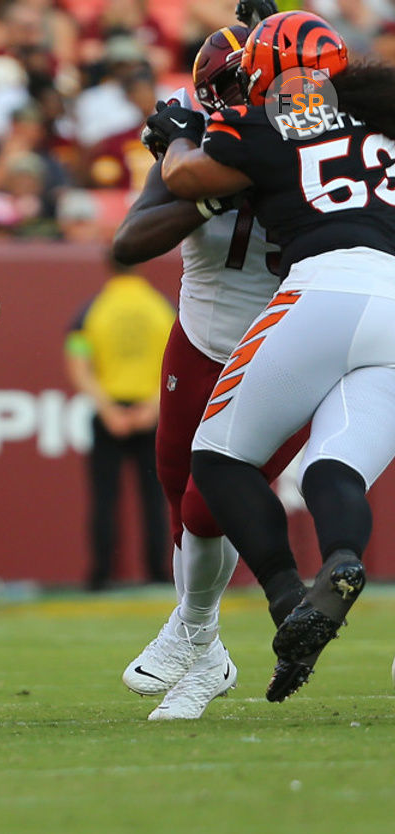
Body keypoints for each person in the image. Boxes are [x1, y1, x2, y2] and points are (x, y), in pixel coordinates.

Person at [152, 10, 394, 701]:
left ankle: (288, 595)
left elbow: (188, 181)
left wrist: (172, 141)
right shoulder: (380, 126)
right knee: (333, 465)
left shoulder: (265, 123)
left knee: (219, 459)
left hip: (326, 285)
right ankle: (343, 560)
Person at [112, 24, 305, 720]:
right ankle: (208, 656)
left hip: (284, 343)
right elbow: (127, 243)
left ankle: (189, 633)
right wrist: (210, 192)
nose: (232, 101)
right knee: (181, 500)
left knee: (208, 503)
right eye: (221, 90)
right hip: (197, 338)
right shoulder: (194, 152)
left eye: (239, 86)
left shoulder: (314, 147)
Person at [64, 262, 174, 592]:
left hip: (109, 411)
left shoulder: (94, 309)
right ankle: (157, 574)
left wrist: (107, 408)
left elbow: (77, 361)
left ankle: (100, 575)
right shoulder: (161, 307)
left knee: (104, 498)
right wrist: (153, 405)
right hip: (151, 413)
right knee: (154, 499)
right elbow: (179, 358)